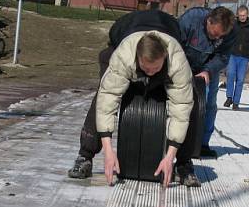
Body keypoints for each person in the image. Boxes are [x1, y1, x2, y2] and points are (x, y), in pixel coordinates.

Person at [68, 10, 198, 187]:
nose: (151, 73)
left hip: (167, 30)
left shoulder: (177, 61)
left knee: (192, 100)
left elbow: (181, 108)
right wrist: (108, 151)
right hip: (126, 33)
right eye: (146, 69)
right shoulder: (124, 56)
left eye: (156, 68)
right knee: (102, 94)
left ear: (165, 57)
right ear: (137, 59)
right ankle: (85, 155)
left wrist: (170, 156)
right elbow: (108, 101)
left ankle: (184, 165)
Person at [177, 6, 237, 160]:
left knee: (208, 104)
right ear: (208, 21)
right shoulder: (191, 19)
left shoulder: (230, 32)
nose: (217, 39)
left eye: (220, 36)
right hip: (185, 62)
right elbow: (175, 44)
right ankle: (175, 139)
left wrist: (208, 70)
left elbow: (223, 57)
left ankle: (202, 144)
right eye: (214, 34)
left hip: (208, 67)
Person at [224, 5, 249, 110]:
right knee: (230, 74)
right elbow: (226, 38)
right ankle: (229, 97)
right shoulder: (233, 25)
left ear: (247, 15)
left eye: (244, 15)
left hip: (244, 57)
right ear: (237, 15)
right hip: (232, 55)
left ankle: (236, 102)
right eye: (240, 15)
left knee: (240, 80)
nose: (242, 17)